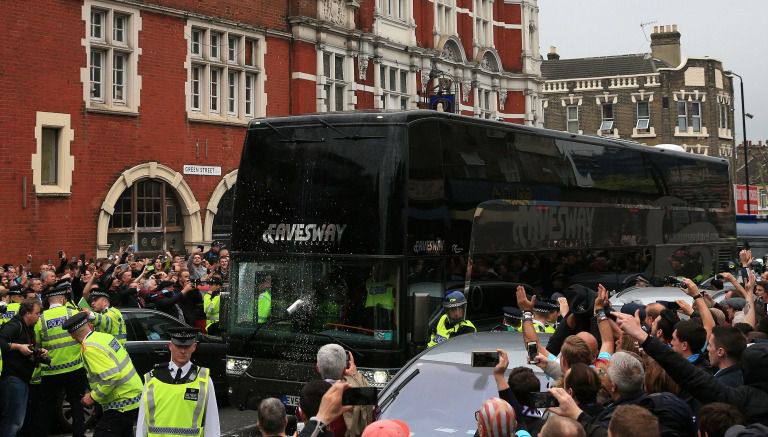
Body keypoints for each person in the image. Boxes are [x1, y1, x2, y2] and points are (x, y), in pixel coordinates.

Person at [61, 311, 142, 437]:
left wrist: (93, 397)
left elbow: (111, 377)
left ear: (72, 335)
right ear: (89, 325)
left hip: (120, 402)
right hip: (132, 396)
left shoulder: (90, 348)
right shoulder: (104, 337)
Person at [136, 326, 220, 437]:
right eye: (178, 346)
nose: (183, 351)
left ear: (194, 347)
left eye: (187, 346)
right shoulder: (152, 378)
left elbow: (212, 423)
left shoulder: (204, 379)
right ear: (170, 346)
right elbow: (142, 421)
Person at [35, 282, 89, 437]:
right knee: (77, 404)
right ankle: (79, 434)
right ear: (63, 299)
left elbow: (38, 345)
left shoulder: (41, 318)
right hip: (74, 368)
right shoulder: (72, 313)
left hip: (50, 371)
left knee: (46, 407)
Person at [0, 299, 47, 437]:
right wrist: (18, 347)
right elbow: (1, 341)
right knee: (13, 422)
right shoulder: (15, 325)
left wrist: (38, 351)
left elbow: (26, 347)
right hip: (13, 379)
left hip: (22, 379)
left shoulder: (28, 328)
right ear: (27, 313)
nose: (39, 316)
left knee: (17, 423)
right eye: (37, 313)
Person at [315, 343, 373, 436]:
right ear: (344, 368)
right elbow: (370, 411)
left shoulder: (310, 394)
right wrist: (355, 376)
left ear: (317, 368)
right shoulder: (356, 395)